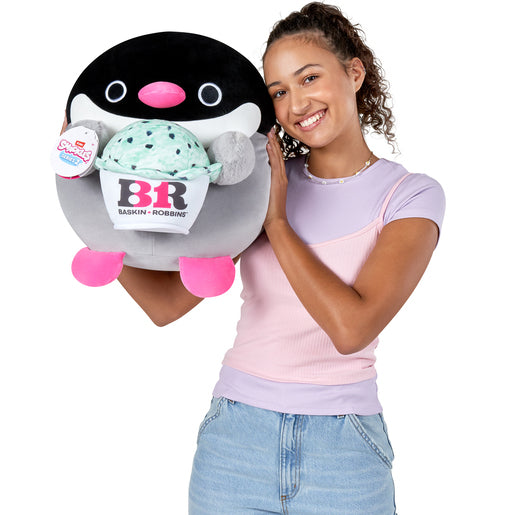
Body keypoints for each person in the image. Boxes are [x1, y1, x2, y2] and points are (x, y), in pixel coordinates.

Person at [121, 3, 445, 514]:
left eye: (309, 77)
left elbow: (351, 329)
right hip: (235, 442)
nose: (296, 104)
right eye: (278, 91)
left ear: (354, 73)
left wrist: (276, 221)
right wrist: (98, 214)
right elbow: (167, 306)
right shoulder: (257, 184)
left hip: (345, 451)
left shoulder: (410, 196)